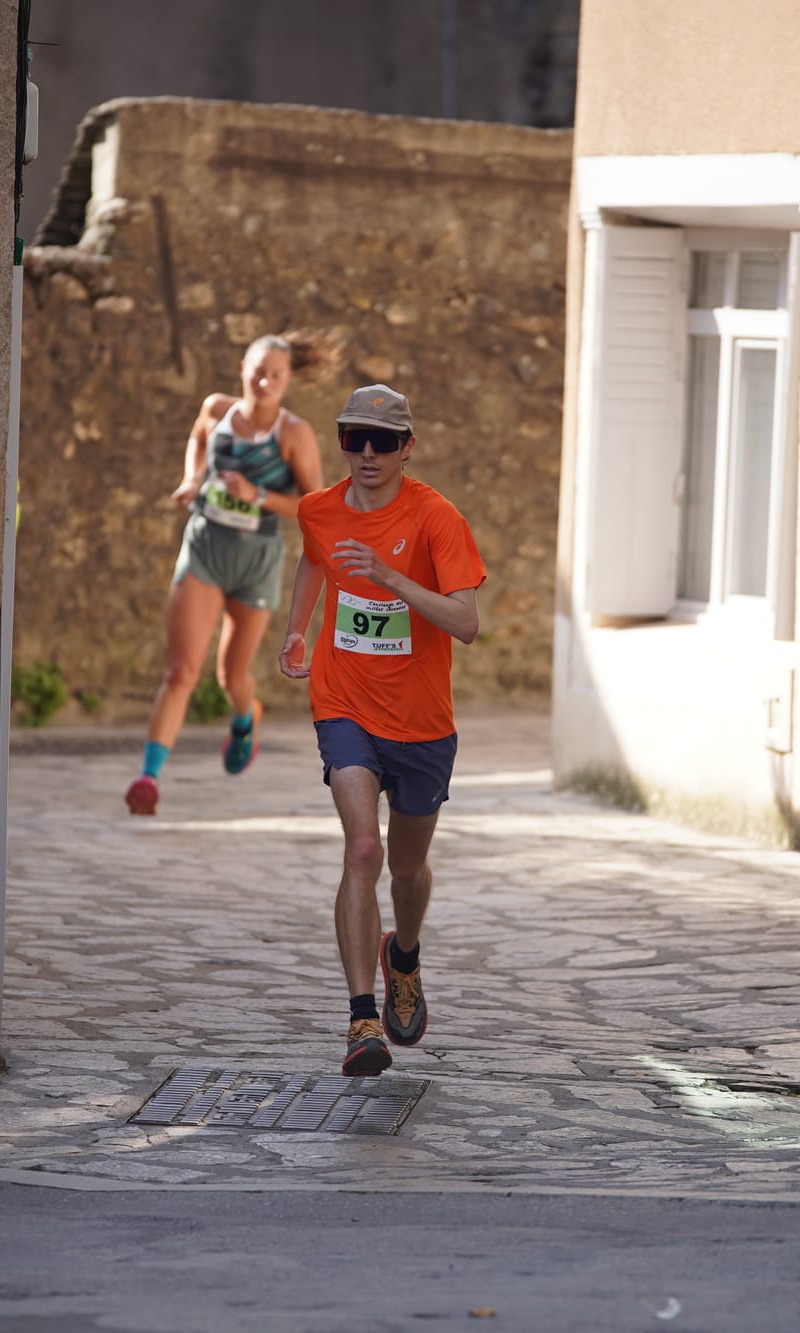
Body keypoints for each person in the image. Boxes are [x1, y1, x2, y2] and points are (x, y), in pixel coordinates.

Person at [277, 383, 486, 1076]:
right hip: (346, 707)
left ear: (407, 447)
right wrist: (297, 631)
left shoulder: (435, 518)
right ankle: (361, 1016)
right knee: (363, 847)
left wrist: (394, 578)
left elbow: (466, 622)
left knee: (407, 867)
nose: (367, 452)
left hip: (423, 723)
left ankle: (405, 953)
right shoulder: (320, 510)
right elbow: (315, 556)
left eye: (383, 440)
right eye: (353, 436)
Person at [124, 331, 331, 815]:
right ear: (243, 367)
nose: (265, 381)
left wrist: (255, 496)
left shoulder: (293, 434)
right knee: (181, 670)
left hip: (256, 559)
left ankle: (245, 716)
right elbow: (198, 439)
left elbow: (314, 505)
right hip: (205, 547)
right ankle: (148, 777)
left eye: (276, 375)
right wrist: (192, 479)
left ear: (288, 380)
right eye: (258, 370)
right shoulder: (217, 408)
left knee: (230, 675)